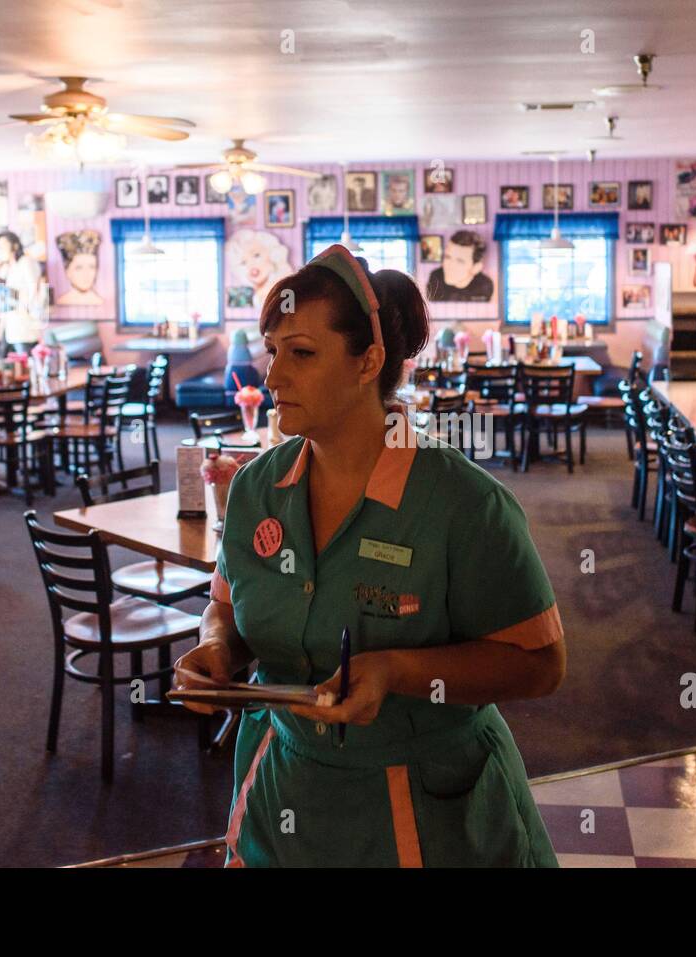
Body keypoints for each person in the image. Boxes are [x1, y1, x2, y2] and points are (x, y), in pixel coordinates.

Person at [173, 244, 565, 866]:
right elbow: (225, 604)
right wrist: (218, 648)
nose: (272, 377)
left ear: (370, 362)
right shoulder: (253, 489)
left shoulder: (463, 504)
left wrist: (398, 673)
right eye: (272, 352)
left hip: (431, 809)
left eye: (300, 354)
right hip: (286, 792)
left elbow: (541, 664)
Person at [0, 230, 42, 355]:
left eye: (3, 245)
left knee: (25, 357)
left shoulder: (26, 262)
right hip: (10, 322)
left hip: (24, 321)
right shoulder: (10, 268)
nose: (1, 249)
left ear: (14, 246)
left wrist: (25, 307)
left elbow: (34, 289)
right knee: (2, 358)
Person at [425, 230, 494, 303]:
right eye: (448, 257)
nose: (449, 265)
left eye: (460, 261)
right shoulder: (436, 277)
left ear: (476, 268)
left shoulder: (484, 285)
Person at [54, 230, 103, 306]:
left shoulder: (99, 301)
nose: (86, 274)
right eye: (79, 268)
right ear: (67, 271)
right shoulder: (63, 301)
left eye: (91, 267)